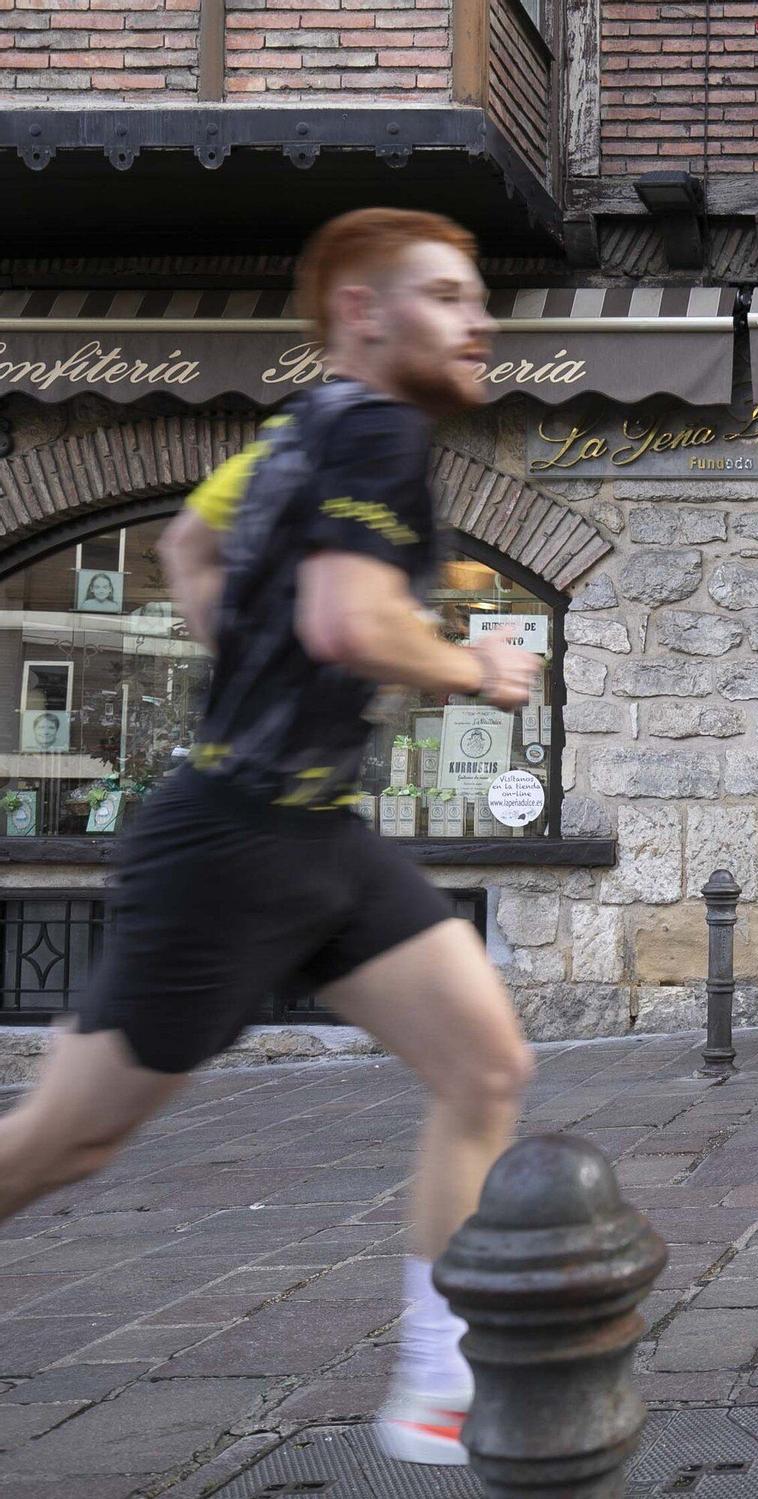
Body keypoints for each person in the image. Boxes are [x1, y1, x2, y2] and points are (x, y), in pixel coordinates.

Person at [0, 208, 541, 1467]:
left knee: (486, 1067)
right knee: (62, 1139)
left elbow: (189, 540)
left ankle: (436, 1382)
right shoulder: (373, 428)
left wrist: (243, 655)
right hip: (233, 841)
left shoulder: (295, 434)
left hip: (312, 829)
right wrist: (478, 665)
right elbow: (353, 623)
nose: (480, 322)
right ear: (364, 314)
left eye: (479, 301)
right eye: (451, 297)